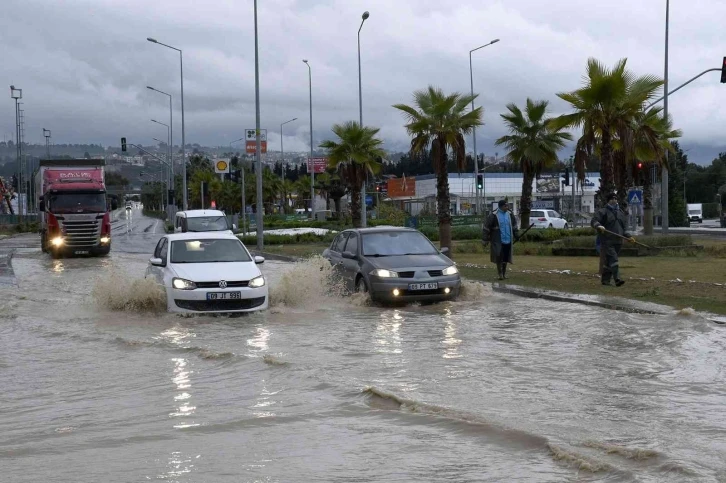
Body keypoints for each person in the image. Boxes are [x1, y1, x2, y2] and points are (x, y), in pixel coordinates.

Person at [591, 193, 636, 286]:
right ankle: (617, 279)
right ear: (608, 201)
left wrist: (629, 237)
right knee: (614, 259)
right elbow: (594, 221)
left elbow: (624, 228)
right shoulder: (603, 211)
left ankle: (605, 281)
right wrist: (599, 226)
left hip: (618, 241)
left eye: (615, 198)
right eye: (611, 199)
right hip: (607, 240)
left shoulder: (621, 213)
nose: (614, 200)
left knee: (609, 262)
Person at [482, 199, 518, 280]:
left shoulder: (510, 214)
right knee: (498, 256)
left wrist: (516, 234)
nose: (507, 207)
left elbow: (514, 225)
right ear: (501, 206)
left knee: (505, 257)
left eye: (507, 205)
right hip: (497, 240)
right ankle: (500, 274)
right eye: (506, 206)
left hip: (508, 239)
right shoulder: (493, 215)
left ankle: (504, 274)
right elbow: (486, 228)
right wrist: (485, 239)